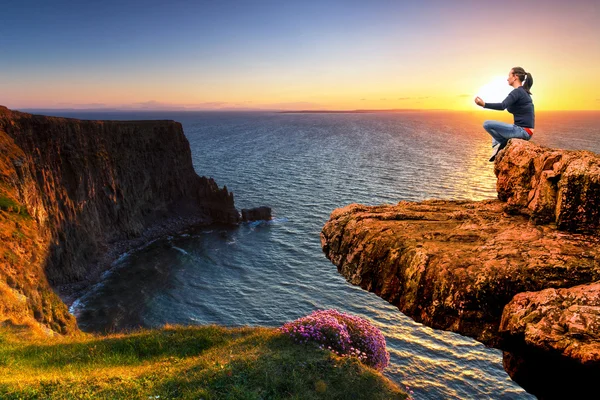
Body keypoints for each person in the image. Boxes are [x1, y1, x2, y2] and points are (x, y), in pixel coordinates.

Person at [474, 67, 534, 162]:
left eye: (509, 75)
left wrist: (484, 104)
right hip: (526, 132)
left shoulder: (517, 92)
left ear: (515, 77)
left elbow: (502, 106)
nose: (507, 78)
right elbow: (509, 107)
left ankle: (498, 144)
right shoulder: (524, 93)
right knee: (497, 127)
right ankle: (501, 143)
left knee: (487, 124)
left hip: (522, 131)